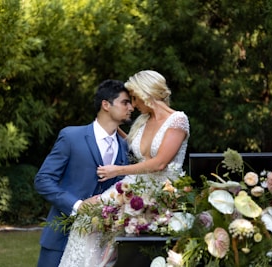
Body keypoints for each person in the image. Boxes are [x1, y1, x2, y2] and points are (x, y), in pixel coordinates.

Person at [59, 70, 190, 267]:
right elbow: (132, 144)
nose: (133, 105)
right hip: (132, 187)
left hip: (161, 192)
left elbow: (159, 163)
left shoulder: (178, 120)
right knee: (87, 220)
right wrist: (107, 126)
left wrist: (117, 171)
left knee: (114, 238)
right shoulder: (144, 120)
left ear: (146, 94)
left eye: (135, 99)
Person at [34, 79, 134, 267]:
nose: (131, 108)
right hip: (61, 238)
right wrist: (78, 205)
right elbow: (43, 180)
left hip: (102, 245)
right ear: (106, 104)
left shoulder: (126, 147)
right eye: (125, 102)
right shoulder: (71, 136)